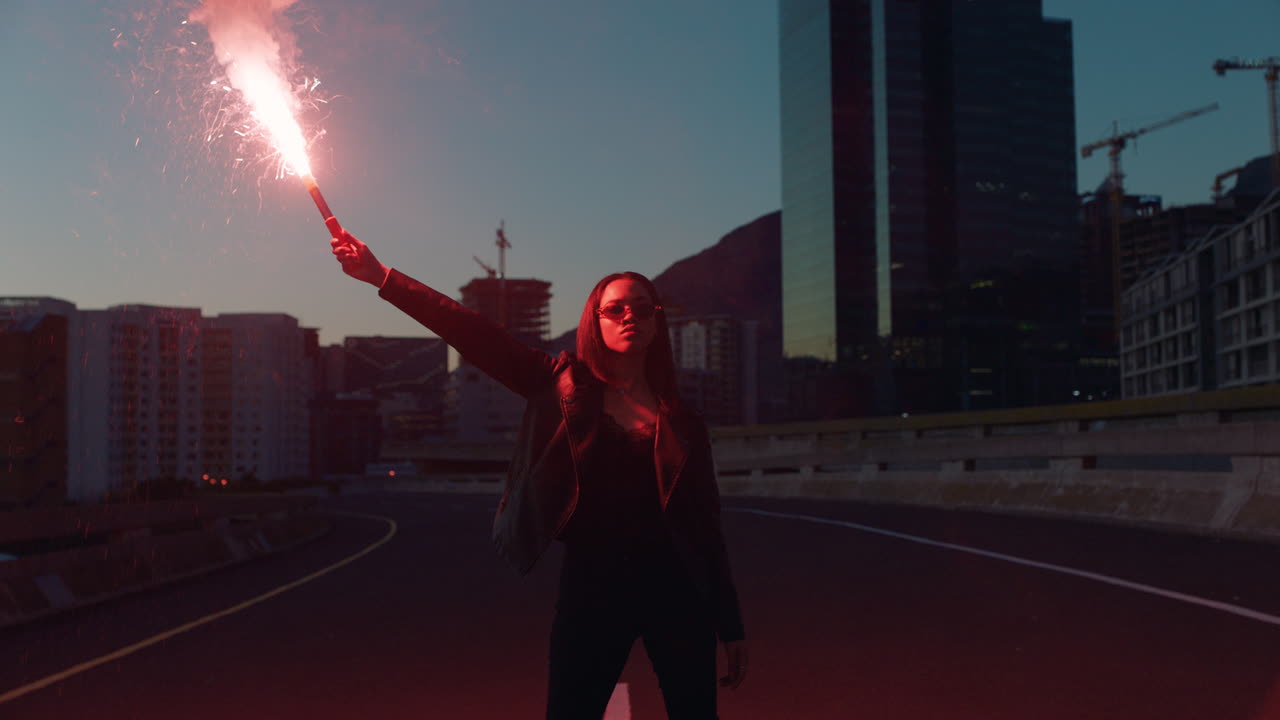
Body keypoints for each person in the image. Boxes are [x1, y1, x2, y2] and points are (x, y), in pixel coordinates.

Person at [330, 225, 748, 719]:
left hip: (678, 589)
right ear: (595, 321)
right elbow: (474, 332)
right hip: (594, 587)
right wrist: (380, 276)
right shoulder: (561, 384)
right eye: (615, 308)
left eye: (642, 307)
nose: (629, 315)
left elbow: (706, 527)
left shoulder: (683, 421)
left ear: (658, 324)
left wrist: (731, 625)